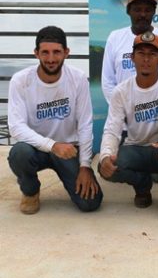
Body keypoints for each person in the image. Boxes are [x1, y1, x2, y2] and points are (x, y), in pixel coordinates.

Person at [8, 26, 102, 214]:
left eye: (57, 52)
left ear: (66, 52)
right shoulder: (20, 80)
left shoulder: (78, 79)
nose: (51, 59)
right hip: (36, 149)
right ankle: (30, 190)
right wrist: (52, 145)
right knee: (19, 153)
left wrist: (85, 166)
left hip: (69, 150)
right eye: (45, 52)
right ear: (36, 53)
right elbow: (16, 127)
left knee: (90, 203)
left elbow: (85, 125)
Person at [98, 31, 158, 221]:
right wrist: (105, 155)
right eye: (141, 54)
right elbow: (112, 129)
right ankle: (142, 185)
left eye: (152, 54)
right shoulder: (121, 91)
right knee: (106, 167)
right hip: (136, 148)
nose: (146, 59)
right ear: (132, 58)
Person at [101, 0, 158, 103]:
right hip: (123, 111)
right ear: (128, 11)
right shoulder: (115, 38)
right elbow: (107, 82)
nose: (142, 14)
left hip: (157, 110)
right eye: (137, 10)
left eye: (147, 10)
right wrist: (121, 109)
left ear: (154, 12)